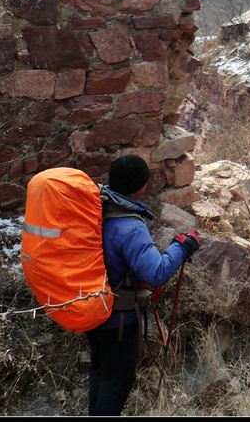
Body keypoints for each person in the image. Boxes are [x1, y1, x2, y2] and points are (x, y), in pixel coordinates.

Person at [86, 154, 200, 416]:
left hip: (92, 306)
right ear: (139, 186)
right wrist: (182, 247)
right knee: (117, 381)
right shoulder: (129, 226)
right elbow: (157, 273)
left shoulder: (99, 206)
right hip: (119, 319)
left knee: (101, 370)